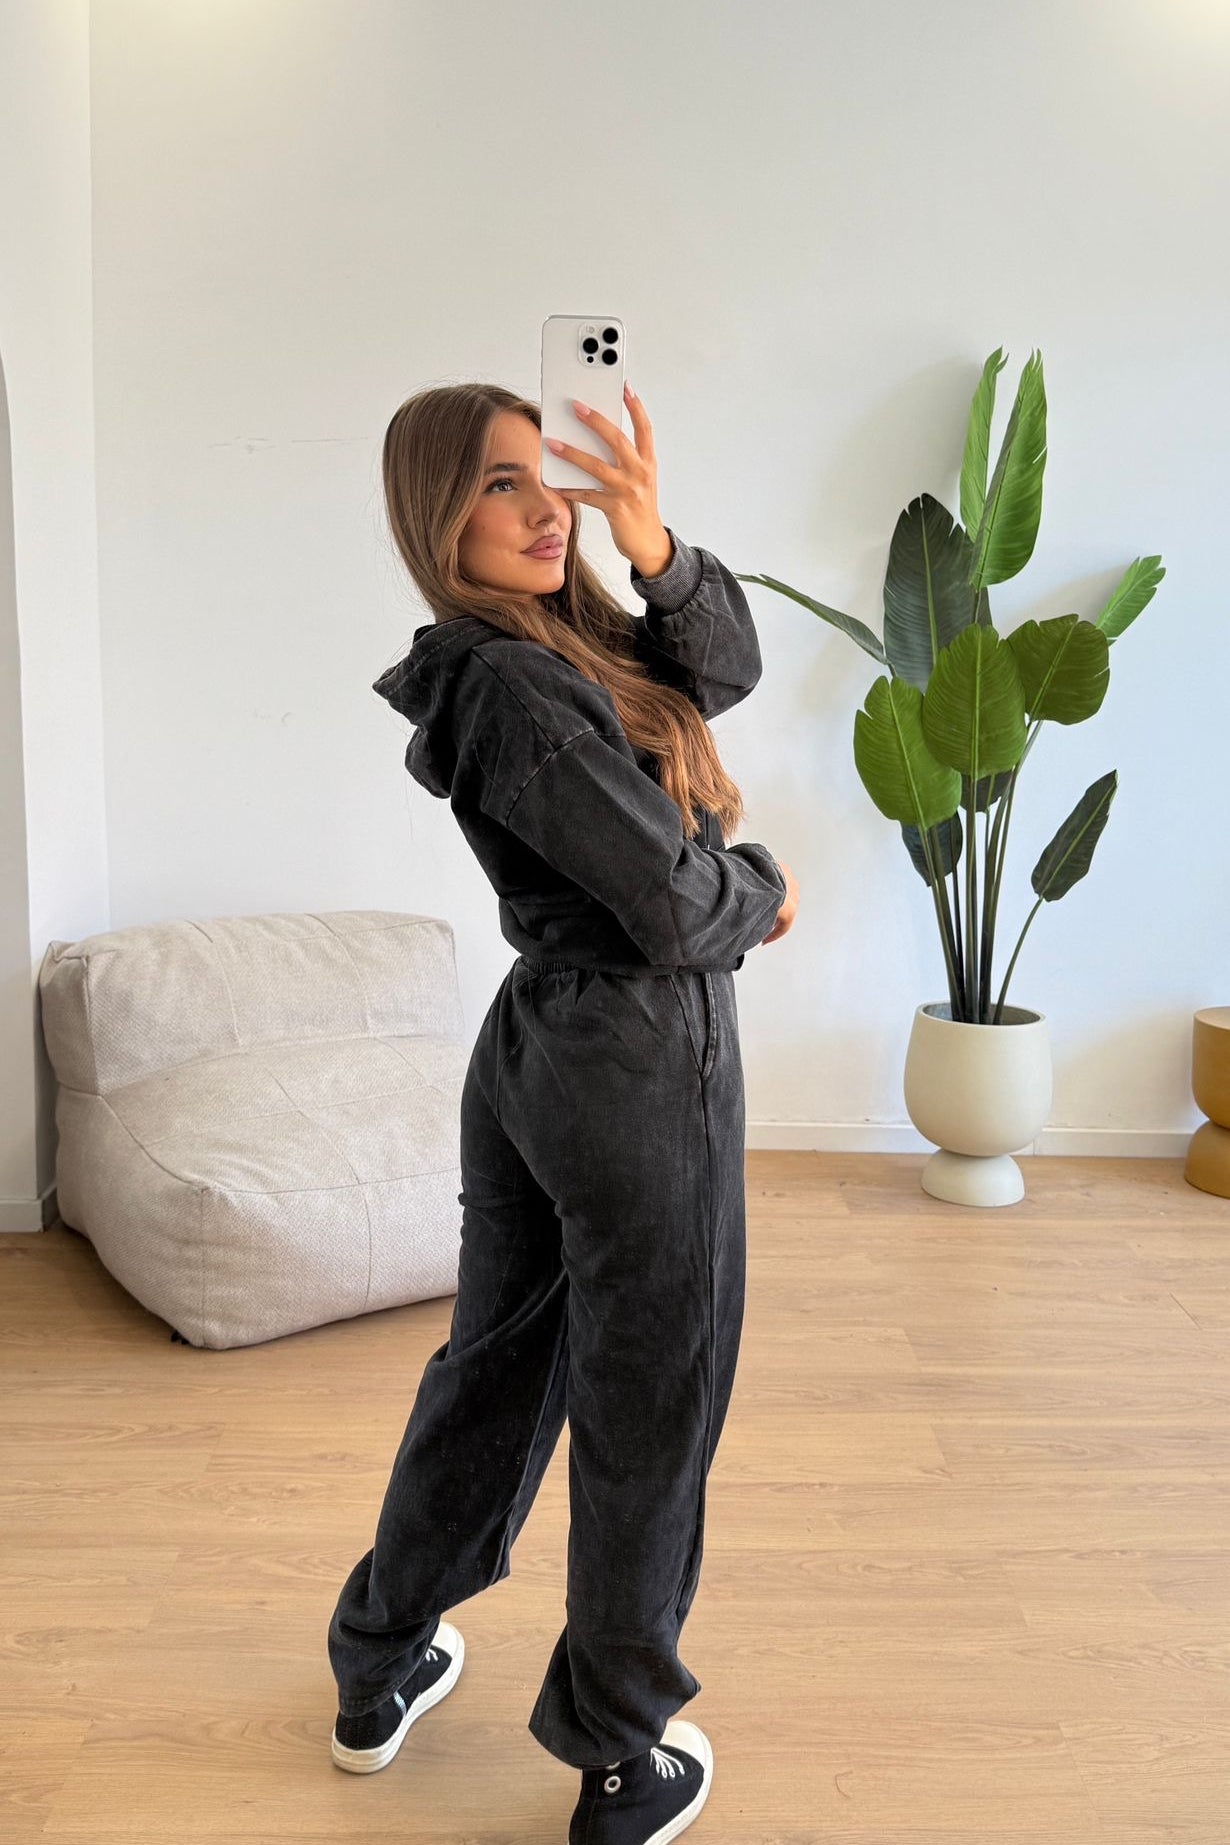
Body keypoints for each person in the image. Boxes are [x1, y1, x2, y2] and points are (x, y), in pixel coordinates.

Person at [327, 376, 800, 1844]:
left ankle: (378, 1662)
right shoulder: (512, 685)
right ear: (434, 516)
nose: (545, 509)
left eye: (546, 477)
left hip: (540, 1046)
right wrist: (765, 890)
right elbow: (673, 905)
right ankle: (620, 1758)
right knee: (652, 1396)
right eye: (498, 484)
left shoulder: (548, 647)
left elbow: (720, 671)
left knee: (498, 1366)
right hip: (636, 1057)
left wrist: (653, 547)